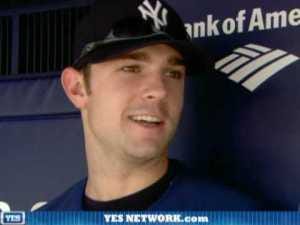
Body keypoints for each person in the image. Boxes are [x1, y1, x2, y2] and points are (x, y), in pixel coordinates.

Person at [40, 0, 263, 211]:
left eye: (173, 73)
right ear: (76, 88)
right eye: (131, 68)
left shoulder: (236, 216)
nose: (160, 90)